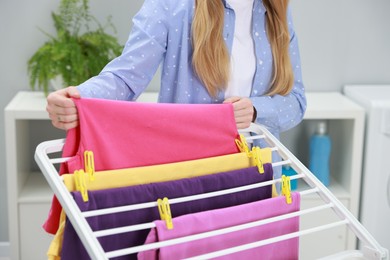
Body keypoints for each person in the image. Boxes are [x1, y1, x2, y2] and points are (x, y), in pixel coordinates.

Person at [46, 0, 306, 140]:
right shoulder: (171, 6)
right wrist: (80, 98)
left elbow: (296, 101)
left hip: (259, 176)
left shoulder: (277, 11)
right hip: (191, 176)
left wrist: (255, 110)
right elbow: (125, 78)